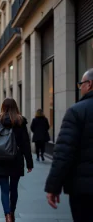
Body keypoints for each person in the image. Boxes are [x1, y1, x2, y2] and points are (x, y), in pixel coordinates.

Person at [45, 68, 93, 221]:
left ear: (89, 84)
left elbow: (63, 153)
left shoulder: (77, 111)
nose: (81, 87)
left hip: (85, 190)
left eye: (81, 84)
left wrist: (53, 187)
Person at [0, 98, 33, 222]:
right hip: (16, 159)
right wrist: (29, 162)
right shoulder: (20, 121)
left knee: (4, 189)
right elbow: (25, 144)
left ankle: (7, 215)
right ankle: (12, 212)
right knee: (14, 188)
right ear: (15, 107)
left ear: (3, 106)